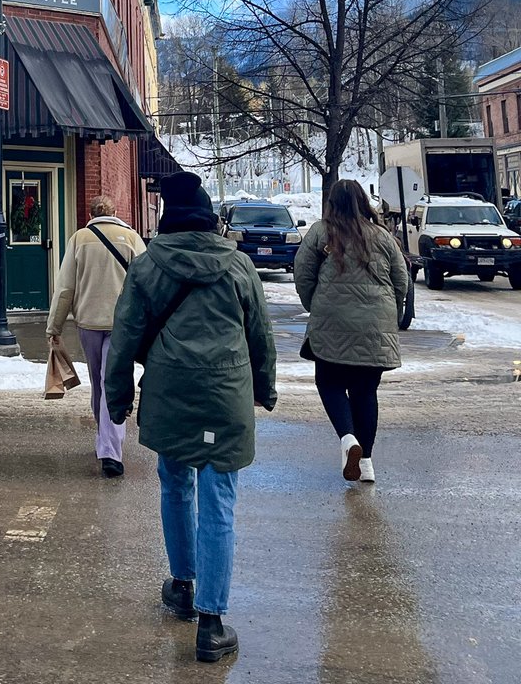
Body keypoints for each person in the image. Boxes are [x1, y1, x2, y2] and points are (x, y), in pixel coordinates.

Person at [104, 171, 277, 664]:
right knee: (219, 498)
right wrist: (264, 388)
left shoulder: (147, 267)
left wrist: (117, 402)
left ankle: (182, 584)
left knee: (175, 482)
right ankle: (212, 622)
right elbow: (260, 335)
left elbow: (124, 338)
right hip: (226, 393)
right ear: (210, 219)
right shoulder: (239, 266)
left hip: (170, 391)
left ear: (169, 220)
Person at [293, 178, 409, 485]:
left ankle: (348, 439)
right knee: (365, 391)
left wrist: (315, 305)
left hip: (331, 320)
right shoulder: (383, 237)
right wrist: (389, 314)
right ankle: (367, 464)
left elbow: (302, 274)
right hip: (376, 324)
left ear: (333, 203)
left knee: (329, 383)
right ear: (362, 202)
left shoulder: (321, 232)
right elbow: (402, 281)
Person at [47, 195, 146, 478]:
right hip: (122, 324)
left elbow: (65, 287)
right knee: (113, 382)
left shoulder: (79, 239)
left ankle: (105, 444)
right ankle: (110, 448)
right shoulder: (131, 238)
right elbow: (144, 281)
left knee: (98, 384)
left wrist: (54, 326)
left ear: (89, 213)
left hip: (88, 322)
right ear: (115, 212)